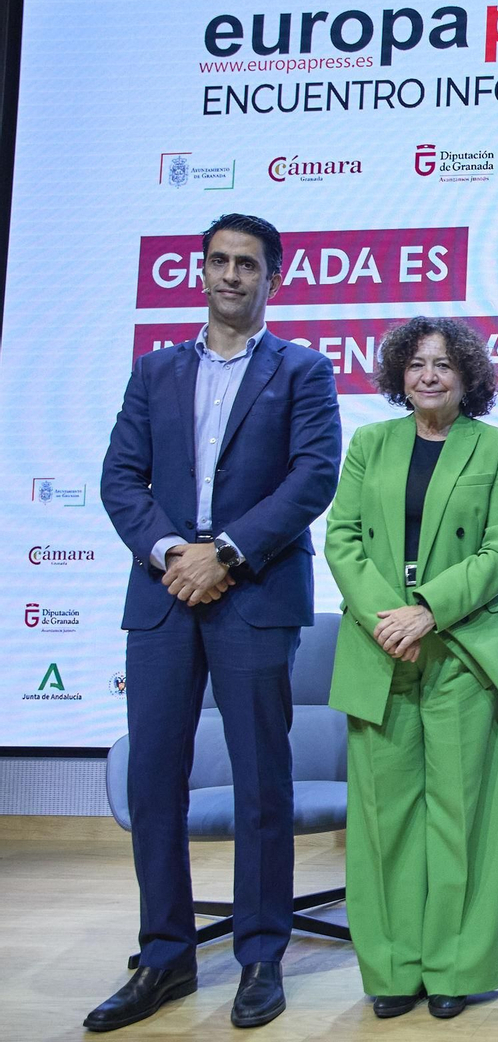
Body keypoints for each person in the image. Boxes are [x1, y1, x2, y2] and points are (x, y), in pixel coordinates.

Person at [94, 213, 341, 1031]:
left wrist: (225, 553)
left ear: (274, 277)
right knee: (153, 778)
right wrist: (175, 552)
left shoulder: (302, 370)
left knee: (261, 779)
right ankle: (165, 954)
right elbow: (121, 477)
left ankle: (261, 955)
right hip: (163, 591)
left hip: (255, 590)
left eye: (247, 264)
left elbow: (313, 477)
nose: (231, 275)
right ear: (200, 271)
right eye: (219, 261)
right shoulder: (155, 370)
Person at [324, 317, 498, 1019]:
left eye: (443, 364)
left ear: (467, 376)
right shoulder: (369, 443)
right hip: (379, 643)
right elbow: (341, 539)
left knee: (460, 816)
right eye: (416, 364)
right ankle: (392, 969)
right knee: (385, 818)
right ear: (398, 376)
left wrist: (427, 612)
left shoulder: (495, 447)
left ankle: (453, 969)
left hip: (462, 646)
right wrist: (390, 618)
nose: (429, 375)